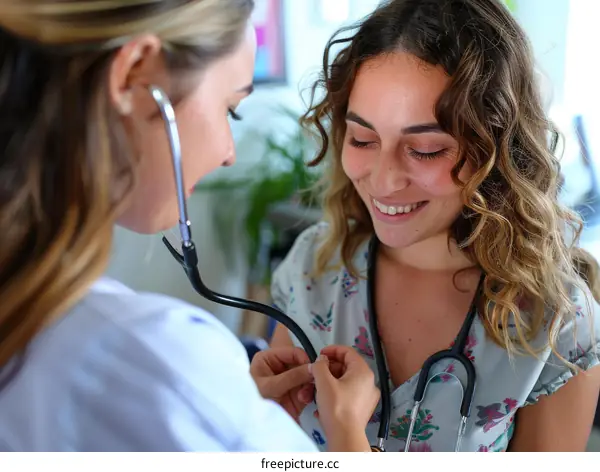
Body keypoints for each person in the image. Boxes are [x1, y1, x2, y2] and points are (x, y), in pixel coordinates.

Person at [0, 0, 380, 452]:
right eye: (230, 109)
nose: (228, 153)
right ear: (134, 75)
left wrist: (238, 419)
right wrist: (347, 434)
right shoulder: (153, 357)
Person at [267, 0, 600, 452]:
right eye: (363, 139)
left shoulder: (557, 325)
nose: (383, 180)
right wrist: (251, 420)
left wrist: (349, 443)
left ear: (497, 151)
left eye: (424, 149)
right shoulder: (313, 267)